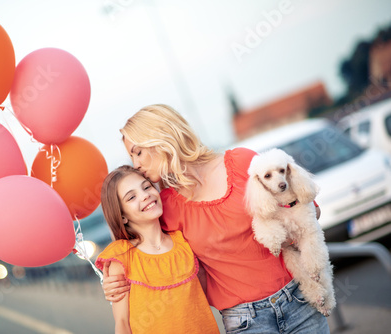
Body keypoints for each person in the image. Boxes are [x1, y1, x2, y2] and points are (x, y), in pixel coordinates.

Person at [102, 104, 330, 333]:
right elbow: (146, 255)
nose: (136, 164)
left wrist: (290, 233)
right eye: (132, 156)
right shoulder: (166, 206)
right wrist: (114, 280)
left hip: (300, 298)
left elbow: (308, 210)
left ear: (161, 139)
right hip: (246, 321)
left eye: (138, 152)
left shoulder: (242, 163)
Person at [95, 165, 220, 334]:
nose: (145, 195)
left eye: (146, 187)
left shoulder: (185, 241)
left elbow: (202, 298)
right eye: (131, 197)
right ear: (122, 216)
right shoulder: (121, 257)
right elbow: (122, 323)